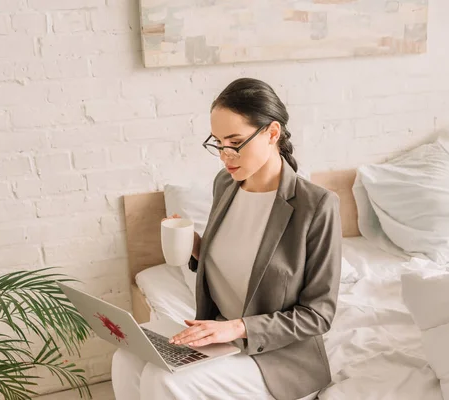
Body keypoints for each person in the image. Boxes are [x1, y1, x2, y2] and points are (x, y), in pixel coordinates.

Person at [112, 78, 342, 400]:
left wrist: (236, 327)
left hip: (278, 356)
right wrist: (195, 246)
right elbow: (240, 260)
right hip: (219, 335)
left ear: (272, 133)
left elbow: (318, 314)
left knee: (165, 381)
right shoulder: (226, 183)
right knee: (126, 358)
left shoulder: (316, 205)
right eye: (217, 142)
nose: (224, 155)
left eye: (234, 142)